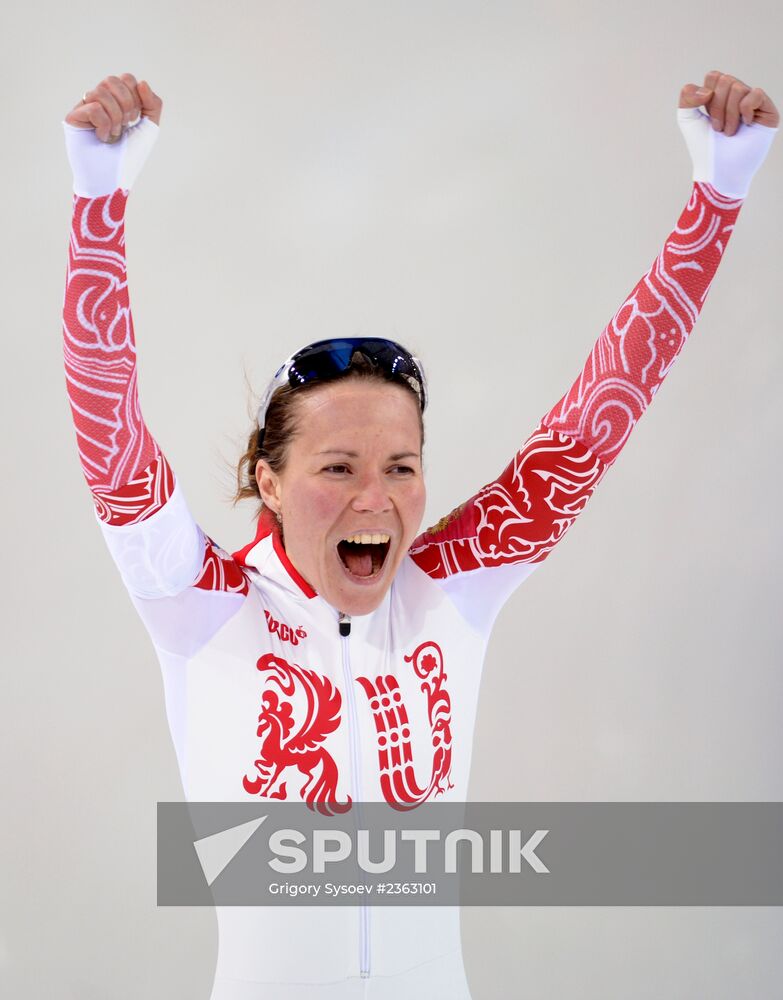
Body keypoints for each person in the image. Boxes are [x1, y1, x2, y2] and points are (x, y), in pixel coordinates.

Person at [62, 71, 778, 1000]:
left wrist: (716, 196)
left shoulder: (448, 587)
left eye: (400, 467)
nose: (375, 497)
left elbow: (594, 420)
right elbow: (109, 429)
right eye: (337, 467)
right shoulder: (204, 604)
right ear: (267, 481)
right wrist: (95, 202)